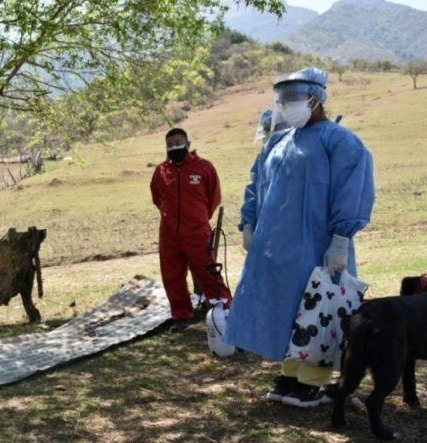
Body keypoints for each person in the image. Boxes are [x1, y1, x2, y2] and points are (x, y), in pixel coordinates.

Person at [225, 67, 375, 407]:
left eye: (295, 98)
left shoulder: (340, 141)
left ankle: (313, 381)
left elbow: (354, 190)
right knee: (287, 312)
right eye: (284, 99)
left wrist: (340, 238)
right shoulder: (279, 141)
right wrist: (248, 224)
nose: (288, 105)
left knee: (317, 310)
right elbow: (257, 184)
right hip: (275, 247)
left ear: (315, 98)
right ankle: (291, 374)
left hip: (317, 247)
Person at [150, 128, 233, 332]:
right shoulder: (161, 171)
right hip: (169, 234)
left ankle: (223, 311)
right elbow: (157, 198)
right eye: (170, 144)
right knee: (172, 276)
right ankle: (181, 316)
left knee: (209, 273)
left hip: (197, 232)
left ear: (187, 143)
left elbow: (214, 197)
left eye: (178, 143)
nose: (174, 147)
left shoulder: (204, 167)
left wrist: (198, 218)